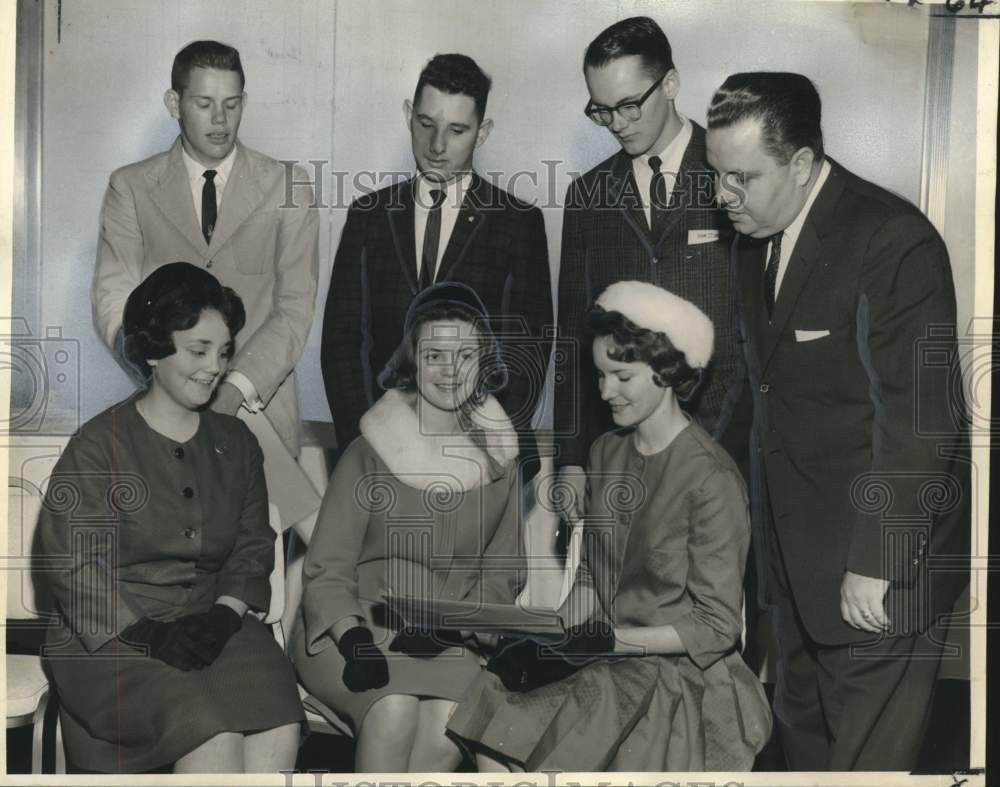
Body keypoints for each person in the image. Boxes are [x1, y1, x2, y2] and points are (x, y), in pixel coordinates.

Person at [705, 72, 969, 771]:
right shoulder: (751, 240)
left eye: (740, 177)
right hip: (792, 576)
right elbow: (757, 400)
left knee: (864, 771)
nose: (721, 195)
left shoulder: (892, 241)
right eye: (716, 175)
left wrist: (873, 564)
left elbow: (921, 420)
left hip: (877, 571)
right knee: (806, 760)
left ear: (800, 163)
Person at [447, 281, 772, 772]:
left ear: (667, 371)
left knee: (562, 731)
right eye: (600, 375)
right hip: (608, 660)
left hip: (683, 680)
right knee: (491, 718)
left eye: (621, 376)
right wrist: (550, 638)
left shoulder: (711, 478)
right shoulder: (605, 452)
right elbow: (592, 582)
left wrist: (609, 642)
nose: (604, 391)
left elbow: (716, 626)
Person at [37, 263, 304, 773]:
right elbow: (73, 566)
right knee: (211, 737)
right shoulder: (96, 446)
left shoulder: (238, 443)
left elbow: (251, 546)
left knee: (278, 720)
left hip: (215, 623)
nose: (215, 367)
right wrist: (149, 634)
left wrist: (226, 615)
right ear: (155, 350)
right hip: (113, 638)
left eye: (224, 351)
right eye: (198, 350)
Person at [292, 282, 526, 772]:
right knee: (393, 710)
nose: (448, 371)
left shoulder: (501, 460)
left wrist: (452, 627)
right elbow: (328, 570)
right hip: (351, 630)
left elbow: (501, 577)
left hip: (446, 638)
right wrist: (354, 640)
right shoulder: (369, 449)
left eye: (464, 355)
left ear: (484, 363)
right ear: (411, 360)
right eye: (434, 354)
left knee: (450, 725)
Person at [91, 39, 321, 537]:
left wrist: (233, 389)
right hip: (158, 418)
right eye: (204, 103)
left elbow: (294, 310)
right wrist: (164, 379)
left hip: (259, 417)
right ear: (174, 104)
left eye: (232, 103)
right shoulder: (129, 187)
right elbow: (114, 301)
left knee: (261, 586)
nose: (221, 119)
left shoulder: (290, 186)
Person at [321, 53, 552, 478]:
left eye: (457, 130)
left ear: (483, 133)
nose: (437, 145)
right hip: (378, 453)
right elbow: (342, 342)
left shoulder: (518, 223)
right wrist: (364, 445)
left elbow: (528, 350)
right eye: (426, 124)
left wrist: (489, 456)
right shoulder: (368, 216)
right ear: (409, 115)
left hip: (480, 459)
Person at [553, 17, 740, 523]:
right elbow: (572, 333)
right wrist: (571, 460)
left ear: (671, 83)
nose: (617, 123)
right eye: (602, 110)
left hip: (724, 444)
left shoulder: (731, 175)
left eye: (629, 104)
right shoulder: (588, 196)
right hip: (623, 459)